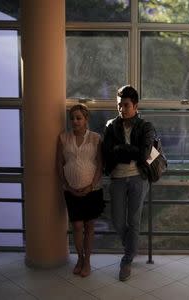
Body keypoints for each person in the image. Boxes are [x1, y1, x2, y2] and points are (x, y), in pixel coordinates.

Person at [102, 85, 154, 281]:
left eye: (125, 105)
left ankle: (127, 259)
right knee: (116, 220)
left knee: (133, 220)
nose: (121, 109)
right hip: (117, 177)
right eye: (119, 105)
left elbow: (143, 154)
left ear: (135, 105)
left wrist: (120, 149)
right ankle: (131, 247)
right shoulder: (110, 125)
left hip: (138, 178)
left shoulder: (145, 126)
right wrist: (127, 150)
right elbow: (107, 152)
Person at [56, 103, 104, 277]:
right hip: (71, 191)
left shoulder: (96, 138)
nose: (75, 122)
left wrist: (91, 186)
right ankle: (80, 258)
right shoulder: (63, 138)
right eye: (72, 118)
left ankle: (88, 261)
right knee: (77, 225)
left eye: (79, 118)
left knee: (90, 226)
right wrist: (68, 186)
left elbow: (100, 164)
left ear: (86, 119)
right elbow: (59, 165)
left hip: (92, 190)